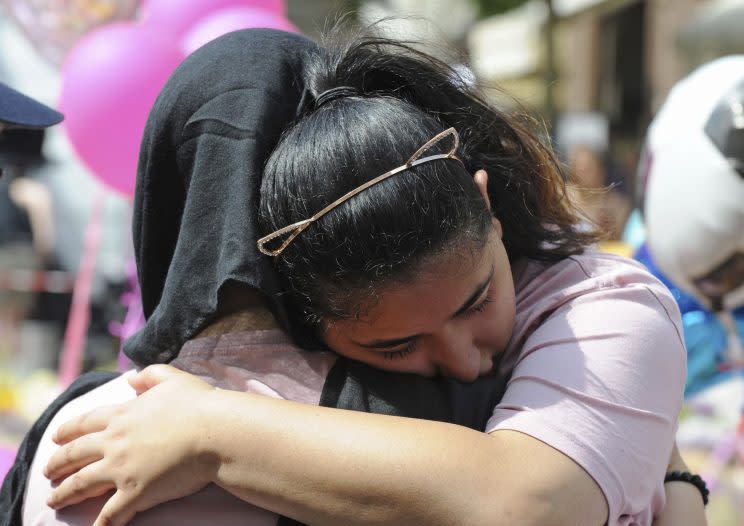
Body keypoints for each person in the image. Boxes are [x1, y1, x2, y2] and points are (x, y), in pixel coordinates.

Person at [37, 28, 705, 526]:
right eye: (395, 348)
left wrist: (212, 433)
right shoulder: (137, 420)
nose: (464, 361)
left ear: (487, 207)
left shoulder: (608, 308)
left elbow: (529, 506)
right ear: (306, 315)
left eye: (477, 301)